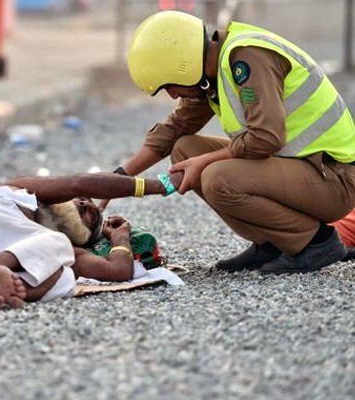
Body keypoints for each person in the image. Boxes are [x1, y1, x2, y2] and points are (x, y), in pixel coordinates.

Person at [101, 10, 355, 275]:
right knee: (185, 148)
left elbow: (266, 138)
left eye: (169, 86)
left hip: (334, 178)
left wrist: (204, 162)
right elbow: (175, 129)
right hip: (300, 168)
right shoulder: (214, 69)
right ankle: (274, 243)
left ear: (183, 64)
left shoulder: (248, 57)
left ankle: (316, 243)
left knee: (216, 177)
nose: (172, 94)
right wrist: (119, 178)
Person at [0, 172, 182, 311]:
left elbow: (119, 271)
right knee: (59, 255)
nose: (84, 202)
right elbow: (78, 184)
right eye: (81, 202)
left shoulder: (62, 247)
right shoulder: (25, 195)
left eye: (90, 215)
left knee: (62, 275)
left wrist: (120, 239)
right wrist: (158, 185)